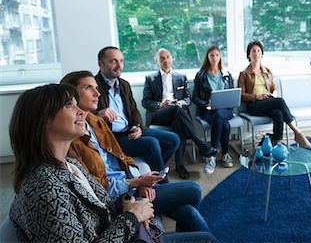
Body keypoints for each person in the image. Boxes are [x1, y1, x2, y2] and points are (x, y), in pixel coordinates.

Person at [61, 71, 215, 239]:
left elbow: (123, 156)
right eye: (89, 88)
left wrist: (140, 180)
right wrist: (134, 182)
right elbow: (95, 188)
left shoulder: (95, 121)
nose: (97, 93)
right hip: (119, 197)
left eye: (96, 88)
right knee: (193, 189)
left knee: (190, 213)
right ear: (71, 95)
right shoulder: (71, 138)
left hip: (129, 183)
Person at [8, 84, 153, 241]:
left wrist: (128, 205)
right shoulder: (44, 190)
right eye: (69, 105)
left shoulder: (71, 164)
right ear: (43, 120)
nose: (82, 112)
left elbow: (101, 205)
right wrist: (131, 219)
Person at [94, 46, 180, 183]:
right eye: (113, 61)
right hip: (114, 137)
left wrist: (137, 126)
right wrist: (99, 113)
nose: (119, 66)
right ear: (101, 64)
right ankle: (163, 183)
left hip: (130, 130)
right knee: (151, 144)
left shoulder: (124, 85)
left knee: (174, 140)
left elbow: (134, 110)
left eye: (121, 61)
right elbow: (85, 112)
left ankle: (153, 171)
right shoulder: (94, 86)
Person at [142, 48, 218, 179]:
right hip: (159, 114)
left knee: (179, 123)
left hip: (177, 112)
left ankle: (180, 165)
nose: (165, 60)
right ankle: (202, 145)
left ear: (172, 59)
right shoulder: (151, 78)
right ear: (157, 61)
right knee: (177, 112)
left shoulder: (181, 77)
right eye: (162, 58)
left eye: (168, 57)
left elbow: (188, 99)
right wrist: (161, 104)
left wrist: (180, 103)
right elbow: (146, 102)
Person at [238, 41, 311, 149]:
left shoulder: (267, 71)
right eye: (253, 51)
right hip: (253, 105)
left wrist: (270, 94)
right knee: (280, 101)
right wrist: (256, 97)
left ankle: (277, 141)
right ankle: (297, 132)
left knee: (278, 113)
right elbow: (241, 95)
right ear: (249, 54)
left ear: (262, 54)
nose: (256, 53)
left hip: (267, 102)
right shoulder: (244, 74)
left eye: (258, 51)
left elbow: (272, 89)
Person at [192, 46, 235, 174]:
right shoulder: (201, 76)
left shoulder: (226, 75)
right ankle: (225, 154)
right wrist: (205, 104)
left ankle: (212, 154)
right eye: (212, 55)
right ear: (208, 57)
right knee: (224, 124)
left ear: (220, 57)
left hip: (225, 110)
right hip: (207, 111)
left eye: (217, 55)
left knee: (219, 114)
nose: (215, 58)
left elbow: (232, 94)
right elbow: (195, 97)